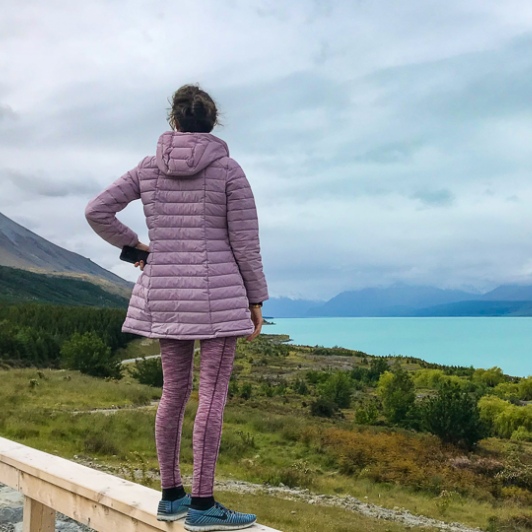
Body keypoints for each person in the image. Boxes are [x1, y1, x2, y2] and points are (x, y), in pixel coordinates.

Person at [85, 84, 268, 531]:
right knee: (212, 397)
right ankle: (204, 504)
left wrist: (138, 250)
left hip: (165, 292)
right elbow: (245, 243)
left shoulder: (147, 169)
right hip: (220, 295)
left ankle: (171, 496)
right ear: (212, 122)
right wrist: (255, 299)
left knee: (173, 393)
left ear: (174, 121)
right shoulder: (229, 170)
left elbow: (97, 211)